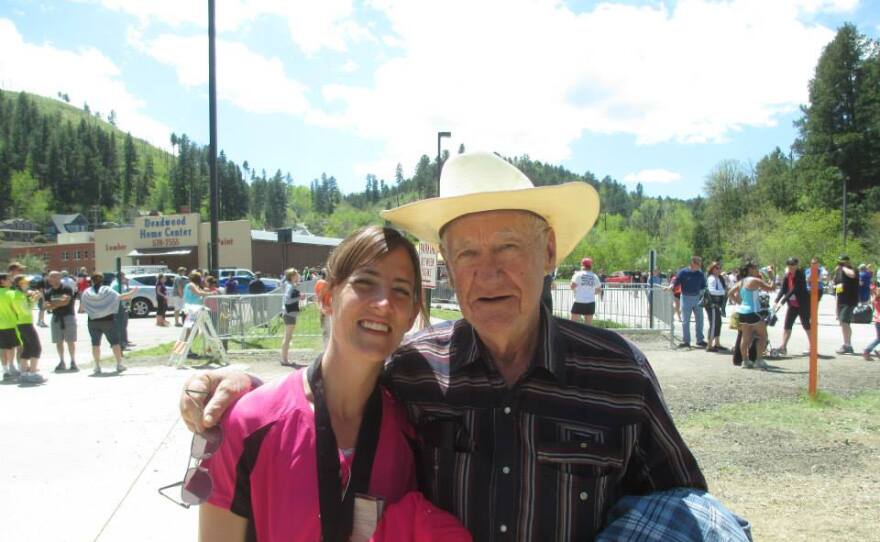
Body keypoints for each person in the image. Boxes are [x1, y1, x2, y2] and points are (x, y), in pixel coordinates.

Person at [178, 152, 739, 541]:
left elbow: (683, 509)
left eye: (508, 247)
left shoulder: (619, 373)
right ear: (447, 267)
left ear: (549, 251)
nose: (488, 272)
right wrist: (244, 389)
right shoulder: (415, 368)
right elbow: (332, 390)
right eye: (466, 253)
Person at [193, 226, 469, 542]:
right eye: (365, 283)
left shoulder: (410, 429)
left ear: (411, 316)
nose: (383, 304)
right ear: (326, 297)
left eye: (401, 291)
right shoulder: (247, 424)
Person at [80, 273, 138, 375]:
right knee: (115, 343)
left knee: (95, 344)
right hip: (108, 320)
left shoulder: (87, 292)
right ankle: (119, 364)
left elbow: (81, 308)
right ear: (102, 280)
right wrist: (133, 292)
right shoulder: (107, 290)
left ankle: (97, 366)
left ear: (91, 281)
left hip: (93, 321)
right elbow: (119, 297)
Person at [729, 262, 774, 369]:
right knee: (763, 336)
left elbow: (730, 293)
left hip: (742, 312)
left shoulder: (741, 281)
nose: (757, 269)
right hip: (753, 312)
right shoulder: (755, 280)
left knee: (745, 337)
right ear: (750, 269)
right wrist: (772, 275)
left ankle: (745, 361)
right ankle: (759, 360)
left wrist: (739, 302)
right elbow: (771, 288)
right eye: (755, 268)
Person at [773, 257, 812, 356]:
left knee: (806, 325)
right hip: (793, 305)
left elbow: (794, 289)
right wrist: (776, 300)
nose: (791, 267)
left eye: (793, 265)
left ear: (797, 265)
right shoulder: (787, 275)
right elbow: (783, 289)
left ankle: (813, 346)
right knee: (787, 325)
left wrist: (783, 301)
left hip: (803, 303)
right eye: (789, 265)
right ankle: (783, 347)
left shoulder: (800, 274)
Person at [10, 275, 45, 384]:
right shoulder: (19, 296)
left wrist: (31, 297)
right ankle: (32, 373)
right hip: (25, 323)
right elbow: (26, 310)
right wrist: (35, 299)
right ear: (19, 284)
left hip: (22, 323)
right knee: (36, 348)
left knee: (28, 348)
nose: (27, 284)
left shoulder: (19, 294)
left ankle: (23, 373)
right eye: (25, 283)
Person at [44, 271, 78, 372]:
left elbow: (66, 302)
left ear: (59, 278)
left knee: (70, 341)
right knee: (58, 341)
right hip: (56, 318)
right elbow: (46, 306)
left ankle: (73, 361)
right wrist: (58, 303)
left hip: (68, 317)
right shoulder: (48, 292)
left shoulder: (66, 288)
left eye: (55, 277)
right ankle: (61, 361)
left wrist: (53, 304)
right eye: (51, 277)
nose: (52, 279)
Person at [675, 256, 707, 348]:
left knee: (700, 320)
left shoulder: (700, 273)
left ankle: (700, 340)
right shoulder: (683, 272)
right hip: (685, 298)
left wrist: (702, 294)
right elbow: (676, 282)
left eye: (700, 264)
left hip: (697, 298)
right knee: (685, 321)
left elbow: (703, 285)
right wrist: (670, 287)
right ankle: (686, 341)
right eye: (698, 263)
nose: (700, 265)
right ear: (692, 263)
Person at [833, 255, 859, 354]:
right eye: (839, 262)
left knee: (844, 322)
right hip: (841, 300)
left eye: (842, 262)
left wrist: (844, 267)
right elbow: (838, 288)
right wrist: (836, 304)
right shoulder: (838, 272)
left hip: (850, 300)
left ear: (847, 262)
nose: (840, 264)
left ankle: (847, 345)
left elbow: (852, 275)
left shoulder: (853, 270)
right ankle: (847, 344)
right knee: (843, 322)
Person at [0, 273, 22, 381]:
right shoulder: (10, 293)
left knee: (3, 348)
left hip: (1, 325)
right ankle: (11, 367)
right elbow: (16, 308)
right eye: (9, 279)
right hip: (10, 324)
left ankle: (5, 370)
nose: (11, 280)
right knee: (12, 347)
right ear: (2, 281)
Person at [279, 268, 303, 367]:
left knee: (288, 337)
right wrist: (299, 297)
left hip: (288, 314)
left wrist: (296, 287)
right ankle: (284, 360)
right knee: (288, 337)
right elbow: (288, 301)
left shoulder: (289, 285)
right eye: (297, 274)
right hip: (289, 314)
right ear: (293, 276)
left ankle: (284, 358)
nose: (299, 276)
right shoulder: (290, 286)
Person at [570, 257, 602, 324]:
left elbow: (572, 286)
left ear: (582, 265)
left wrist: (576, 289)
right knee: (588, 325)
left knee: (572, 324)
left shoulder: (578, 274)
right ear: (591, 266)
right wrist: (592, 292)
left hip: (579, 301)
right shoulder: (594, 276)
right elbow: (599, 290)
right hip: (590, 302)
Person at [704, 261, 727, 352]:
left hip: (716, 304)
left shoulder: (719, 278)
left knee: (718, 322)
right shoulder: (712, 278)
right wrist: (724, 292)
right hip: (712, 304)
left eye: (720, 268)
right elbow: (711, 291)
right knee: (713, 323)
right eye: (717, 268)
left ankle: (717, 343)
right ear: (712, 269)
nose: (719, 270)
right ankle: (709, 345)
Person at [113, 271, 132, 350]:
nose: (124, 278)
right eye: (123, 276)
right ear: (120, 277)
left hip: (123, 306)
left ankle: (125, 340)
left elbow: (126, 293)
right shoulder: (117, 285)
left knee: (124, 325)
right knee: (121, 325)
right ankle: (122, 342)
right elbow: (122, 296)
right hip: (119, 308)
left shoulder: (121, 284)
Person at [861, 283, 880, 360]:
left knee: (879, 338)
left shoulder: (874, 298)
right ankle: (867, 350)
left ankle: (873, 351)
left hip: (876, 320)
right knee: (878, 339)